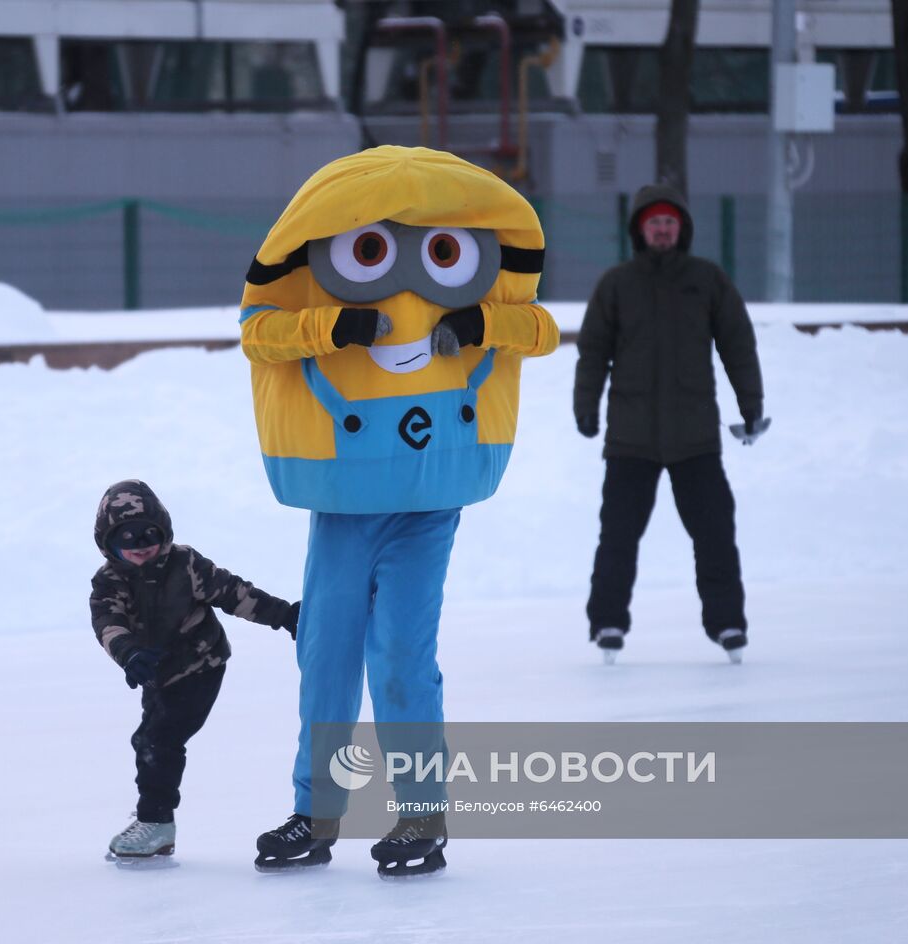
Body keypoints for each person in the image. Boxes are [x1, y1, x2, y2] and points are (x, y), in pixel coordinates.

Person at [238, 146, 560, 876]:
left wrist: (482, 324)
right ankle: (317, 814)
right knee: (326, 655)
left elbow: (540, 329)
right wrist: (332, 327)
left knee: (401, 658)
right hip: (346, 503)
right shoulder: (318, 294)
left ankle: (421, 817)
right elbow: (258, 333)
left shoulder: (480, 297)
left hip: (424, 504)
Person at [573, 183, 766, 665]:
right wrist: (586, 406)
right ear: (640, 229)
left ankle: (727, 624)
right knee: (617, 535)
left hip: (694, 436)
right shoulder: (617, 285)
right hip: (631, 438)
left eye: (669, 222)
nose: (662, 229)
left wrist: (751, 404)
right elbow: (593, 351)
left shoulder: (707, 281)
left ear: (681, 229)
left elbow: (737, 346)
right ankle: (607, 622)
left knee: (715, 533)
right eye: (654, 222)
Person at [91, 479, 299, 861]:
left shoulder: (185, 565)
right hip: (155, 673)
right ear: (109, 542)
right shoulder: (110, 580)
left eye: (149, 535)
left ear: (164, 530)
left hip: (201, 664)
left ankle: (156, 822)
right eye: (128, 539)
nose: (140, 547)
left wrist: (285, 615)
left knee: (159, 741)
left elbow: (234, 593)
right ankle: (157, 823)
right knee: (147, 740)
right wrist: (129, 654)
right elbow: (108, 622)